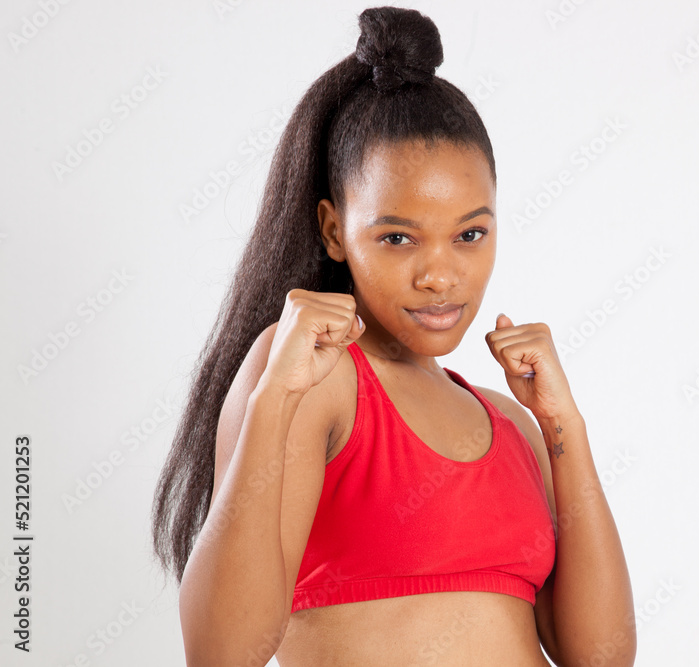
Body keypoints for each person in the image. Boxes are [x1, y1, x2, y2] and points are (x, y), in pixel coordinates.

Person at [150, 6, 635, 666]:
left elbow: (603, 658)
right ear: (333, 230)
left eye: (470, 234)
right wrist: (272, 399)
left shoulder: (515, 428)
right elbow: (220, 651)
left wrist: (563, 427)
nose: (440, 275)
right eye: (398, 237)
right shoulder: (315, 377)